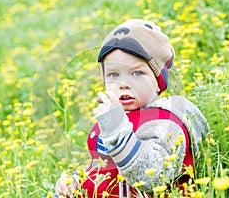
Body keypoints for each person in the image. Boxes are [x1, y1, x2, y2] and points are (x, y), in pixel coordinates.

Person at [55, 19, 209, 198]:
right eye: (113, 74)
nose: (123, 84)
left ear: (158, 82)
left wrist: (117, 130)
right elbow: (101, 168)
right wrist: (75, 180)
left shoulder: (166, 123)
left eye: (137, 73)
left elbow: (152, 176)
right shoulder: (113, 118)